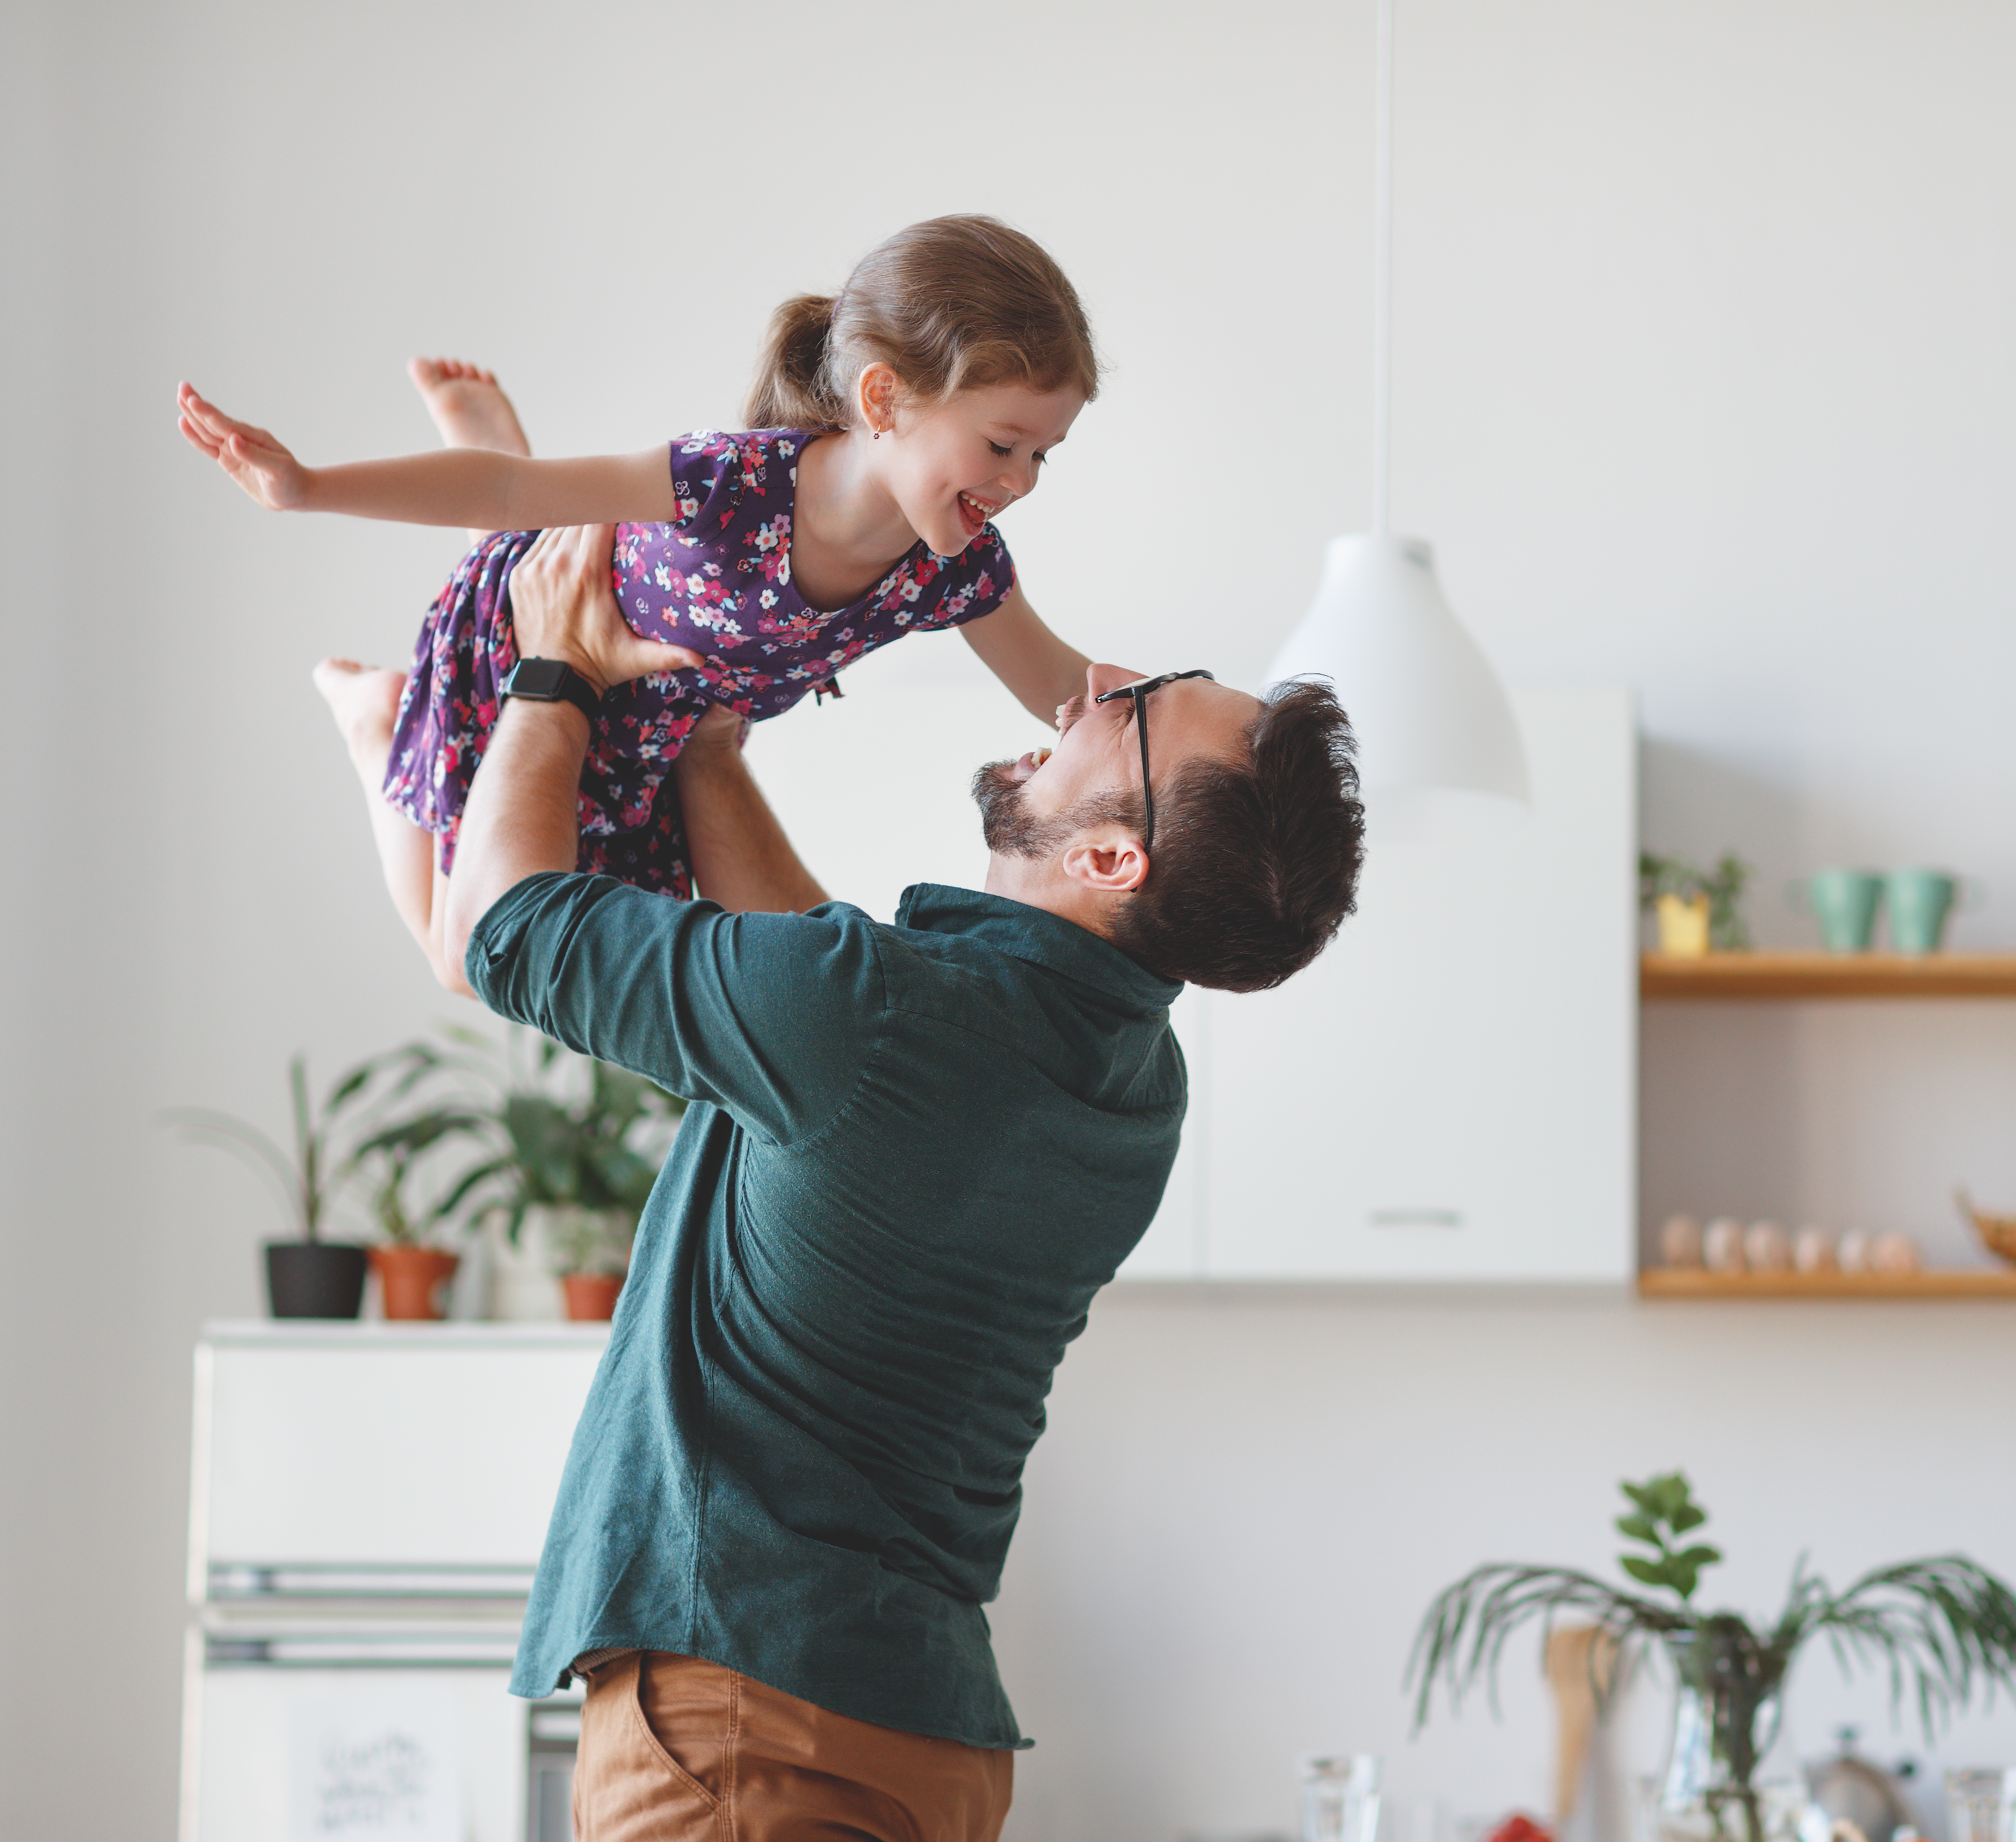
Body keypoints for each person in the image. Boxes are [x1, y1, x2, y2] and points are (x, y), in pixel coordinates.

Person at [440, 518, 1364, 1839]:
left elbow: (499, 923)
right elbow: (825, 1021)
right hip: (916, 1738)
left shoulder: (875, 1017)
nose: (1097, 685)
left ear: (1113, 857)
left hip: (746, 1724)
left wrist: (555, 671)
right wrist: (705, 746)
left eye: (1141, 709)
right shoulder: (1129, 1082)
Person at [177, 214, 1108, 988]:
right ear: (884, 397)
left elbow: (1068, 686)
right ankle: (376, 721)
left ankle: (506, 529)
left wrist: (1240, 724)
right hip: (525, 653)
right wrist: (305, 485)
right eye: (1001, 445)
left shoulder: (956, 569)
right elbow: (503, 488)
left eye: (1045, 454)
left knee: (536, 954)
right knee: (466, 964)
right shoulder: (735, 483)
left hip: (647, 744)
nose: (1022, 480)